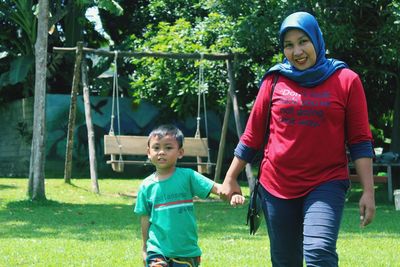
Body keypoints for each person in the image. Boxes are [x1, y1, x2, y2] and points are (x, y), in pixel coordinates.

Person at [221, 11, 376, 267]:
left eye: (303, 41)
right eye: (288, 45)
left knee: (319, 251)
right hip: (276, 186)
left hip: (325, 183)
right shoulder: (274, 80)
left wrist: (368, 192)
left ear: (317, 39)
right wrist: (230, 177)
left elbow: (360, 141)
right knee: (285, 261)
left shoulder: (346, 80)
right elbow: (253, 135)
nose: (297, 51)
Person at [134, 124, 245, 267]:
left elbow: (219, 189)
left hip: (186, 252)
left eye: (168, 148)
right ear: (148, 152)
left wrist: (234, 195)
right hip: (157, 249)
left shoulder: (188, 176)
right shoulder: (145, 186)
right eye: (156, 148)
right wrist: (145, 248)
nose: (161, 152)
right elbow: (145, 219)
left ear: (180, 152)